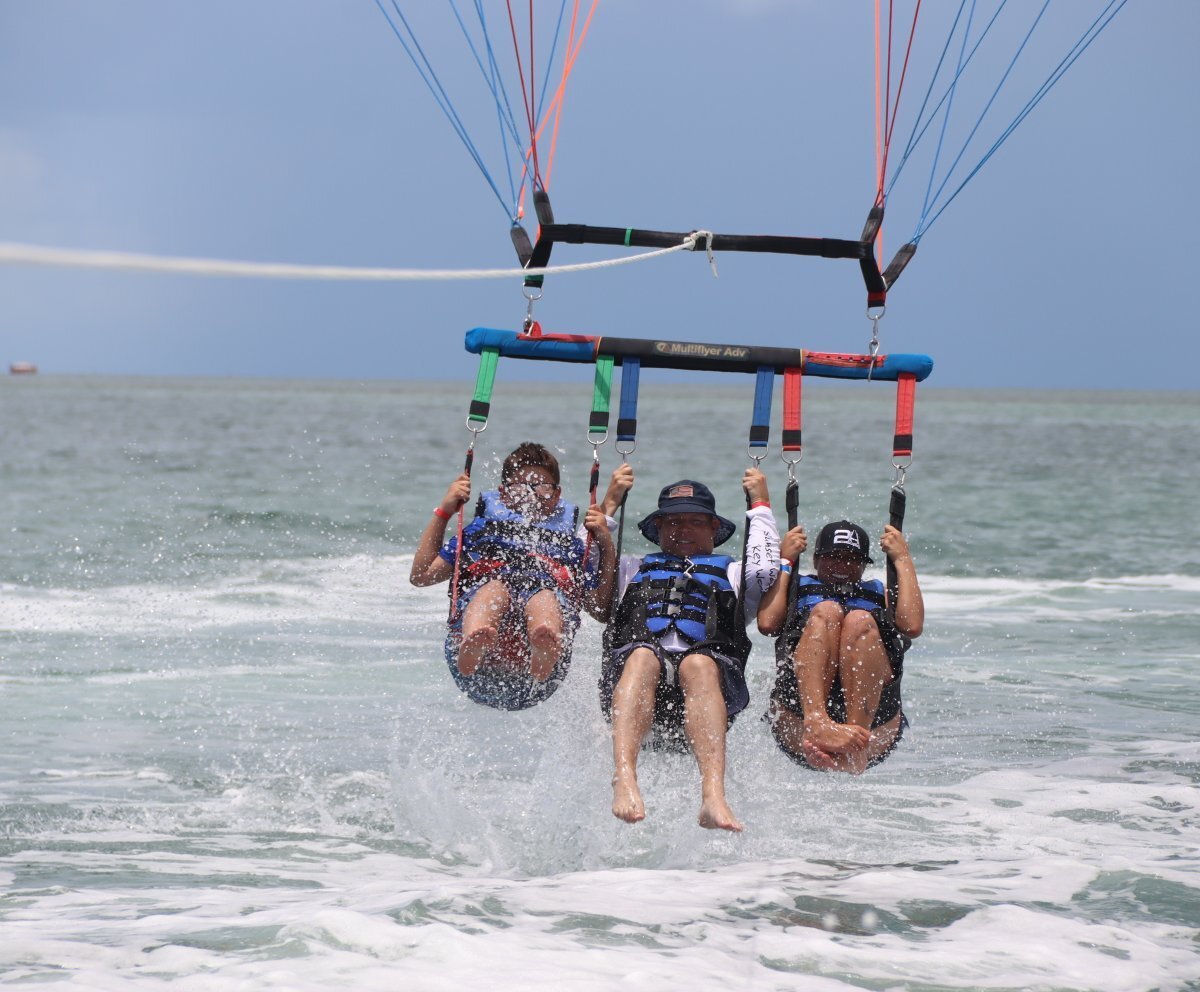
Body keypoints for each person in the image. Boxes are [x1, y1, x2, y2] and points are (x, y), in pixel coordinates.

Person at [599, 468, 779, 832]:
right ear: (658, 529)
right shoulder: (630, 568)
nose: (682, 530)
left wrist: (760, 504)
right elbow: (583, 564)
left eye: (695, 522)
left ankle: (713, 797)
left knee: (697, 663)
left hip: (709, 687)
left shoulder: (734, 574)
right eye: (672, 522)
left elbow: (766, 566)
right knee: (643, 655)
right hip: (635, 683)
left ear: (714, 528)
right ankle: (623, 778)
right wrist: (609, 506)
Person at [410, 442, 617, 711]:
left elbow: (600, 609)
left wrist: (604, 541)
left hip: (535, 677)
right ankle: (475, 640)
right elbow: (421, 575)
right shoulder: (480, 532)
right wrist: (445, 511)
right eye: (520, 488)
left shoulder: (569, 545)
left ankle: (544, 643)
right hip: (479, 669)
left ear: (557, 494)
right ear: (503, 494)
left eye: (541, 487)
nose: (531, 497)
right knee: (495, 587)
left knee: (543, 594)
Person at [758, 519, 924, 774]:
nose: (841, 566)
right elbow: (768, 623)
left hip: (873, 716)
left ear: (863, 564)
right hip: (800, 710)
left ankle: (856, 742)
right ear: (815, 559)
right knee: (827, 611)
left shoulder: (880, 592)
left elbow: (912, 626)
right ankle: (817, 722)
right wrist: (785, 560)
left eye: (852, 559)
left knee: (859, 619)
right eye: (832, 557)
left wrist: (902, 558)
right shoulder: (797, 587)